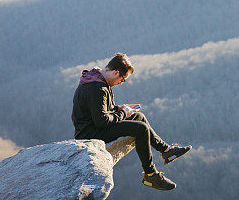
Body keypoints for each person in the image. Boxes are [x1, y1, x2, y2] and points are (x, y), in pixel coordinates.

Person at [72, 52, 192, 191]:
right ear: (116, 73)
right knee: (141, 129)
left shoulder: (98, 79)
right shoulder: (97, 88)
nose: (121, 83)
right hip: (90, 133)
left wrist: (119, 108)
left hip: (94, 126)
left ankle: (166, 150)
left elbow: (99, 109)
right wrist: (123, 113)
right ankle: (151, 175)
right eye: (123, 79)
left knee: (139, 117)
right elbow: (102, 121)